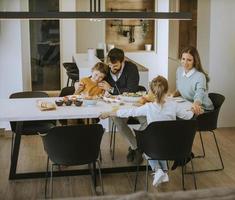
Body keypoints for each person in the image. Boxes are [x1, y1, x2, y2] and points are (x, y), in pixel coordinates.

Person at [100, 76, 194, 187]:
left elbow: (130, 112)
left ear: (151, 92)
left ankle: (157, 169)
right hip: (171, 144)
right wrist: (194, 109)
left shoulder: (148, 107)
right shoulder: (174, 105)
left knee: (144, 143)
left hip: (153, 146)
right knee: (159, 143)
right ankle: (164, 172)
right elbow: (188, 116)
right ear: (167, 91)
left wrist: (110, 113)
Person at [98, 48, 143, 164]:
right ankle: (136, 147)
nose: (112, 68)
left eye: (116, 65)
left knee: (148, 120)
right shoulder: (107, 68)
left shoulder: (131, 68)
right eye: (110, 65)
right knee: (117, 120)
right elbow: (94, 78)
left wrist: (111, 89)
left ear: (123, 61)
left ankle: (139, 145)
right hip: (116, 106)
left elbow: (132, 90)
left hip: (133, 104)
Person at [173, 46, 214, 115]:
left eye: (189, 60)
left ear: (195, 61)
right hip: (188, 103)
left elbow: (199, 94)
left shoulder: (200, 76)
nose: (185, 62)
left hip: (202, 108)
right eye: (183, 59)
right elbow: (179, 89)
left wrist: (196, 105)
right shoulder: (179, 70)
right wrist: (171, 95)